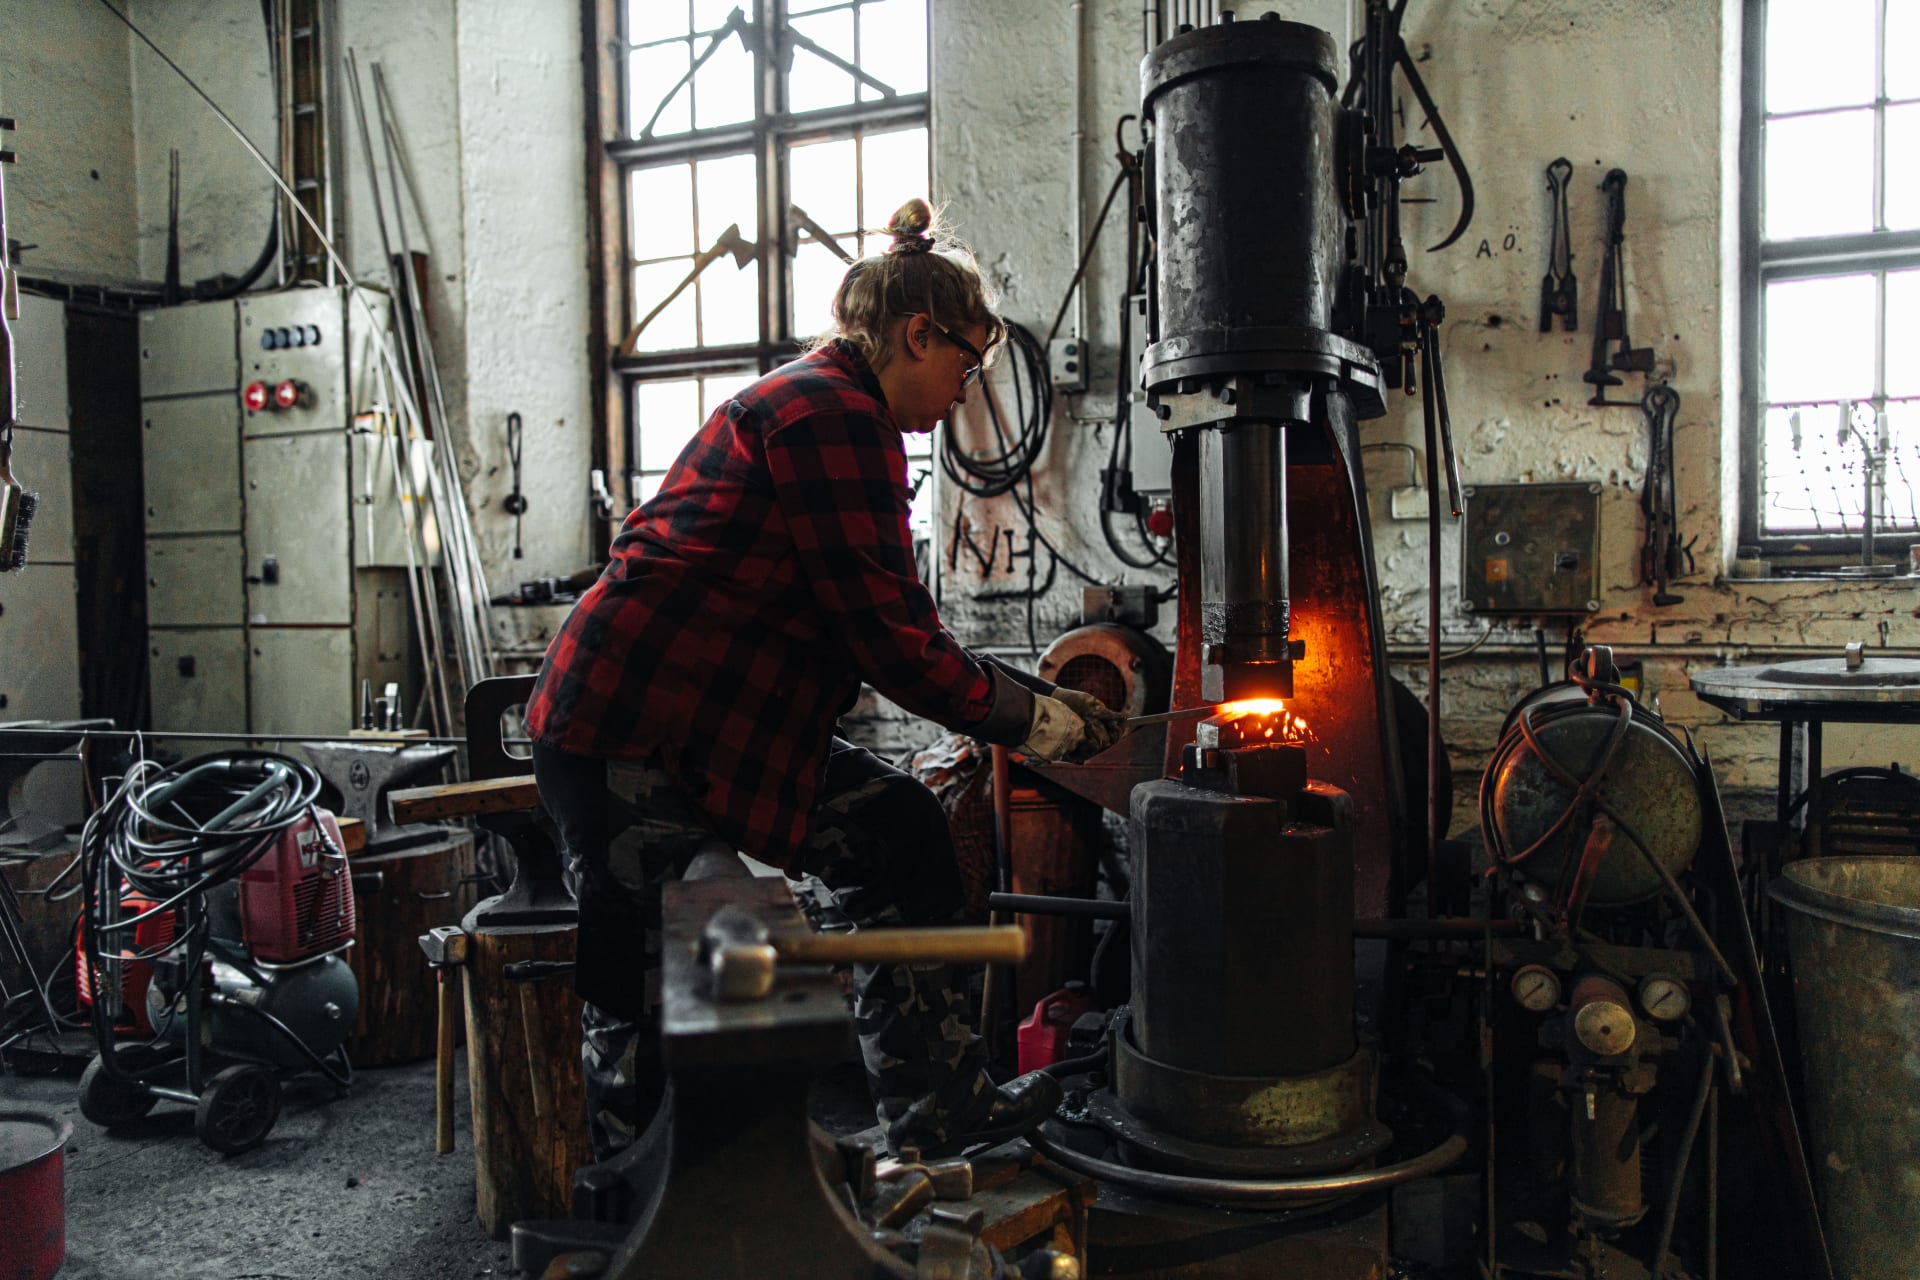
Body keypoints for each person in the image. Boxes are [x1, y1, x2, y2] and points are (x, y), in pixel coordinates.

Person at [525, 197, 1129, 1160]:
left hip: (715, 725)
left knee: (899, 831)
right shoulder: (831, 416)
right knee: (642, 976)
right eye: (964, 364)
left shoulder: (834, 407)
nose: (966, 393)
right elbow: (892, 645)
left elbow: (895, 624)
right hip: (630, 731)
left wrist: (1034, 701)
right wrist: (1039, 726)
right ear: (916, 334)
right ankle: (631, 1210)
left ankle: (940, 1106)